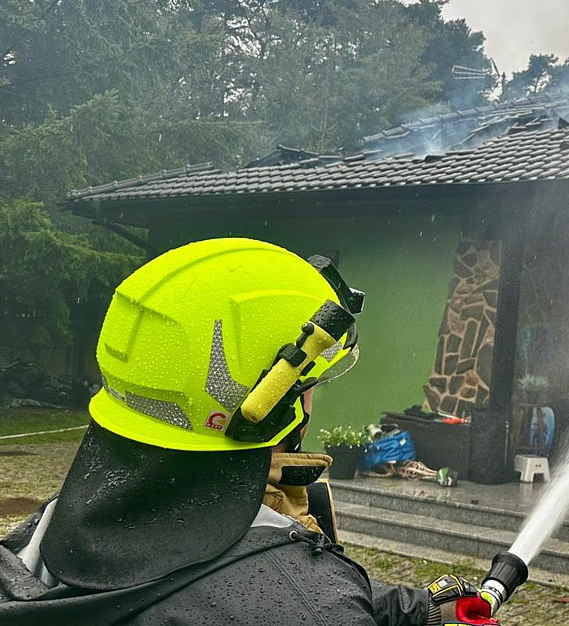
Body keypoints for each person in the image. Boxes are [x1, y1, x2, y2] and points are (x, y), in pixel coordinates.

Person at [0, 238, 499, 626]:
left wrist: (407, 610)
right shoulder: (308, 604)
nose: (310, 399)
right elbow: (288, 600)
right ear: (262, 402)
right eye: (310, 383)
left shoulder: (45, 538)